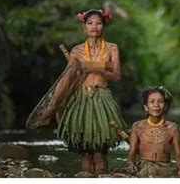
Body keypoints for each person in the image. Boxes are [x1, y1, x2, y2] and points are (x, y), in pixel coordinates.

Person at [25, 9, 127, 176]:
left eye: (99, 23)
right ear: (84, 27)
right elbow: (66, 80)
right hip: (79, 100)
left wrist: (93, 67)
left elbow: (116, 75)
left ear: (104, 26)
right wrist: (55, 105)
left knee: (100, 152)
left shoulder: (111, 48)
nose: (94, 26)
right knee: (85, 151)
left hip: (102, 98)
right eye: (90, 23)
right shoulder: (76, 51)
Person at [127, 86, 180, 177]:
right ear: (146, 107)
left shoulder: (173, 128)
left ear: (165, 106)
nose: (156, 105)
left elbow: (178, 155)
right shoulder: (137, 127)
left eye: (160, 101)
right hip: (144, 167)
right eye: (152, 101)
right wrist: (131, 165)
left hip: (165, 168)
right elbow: (132, 153)